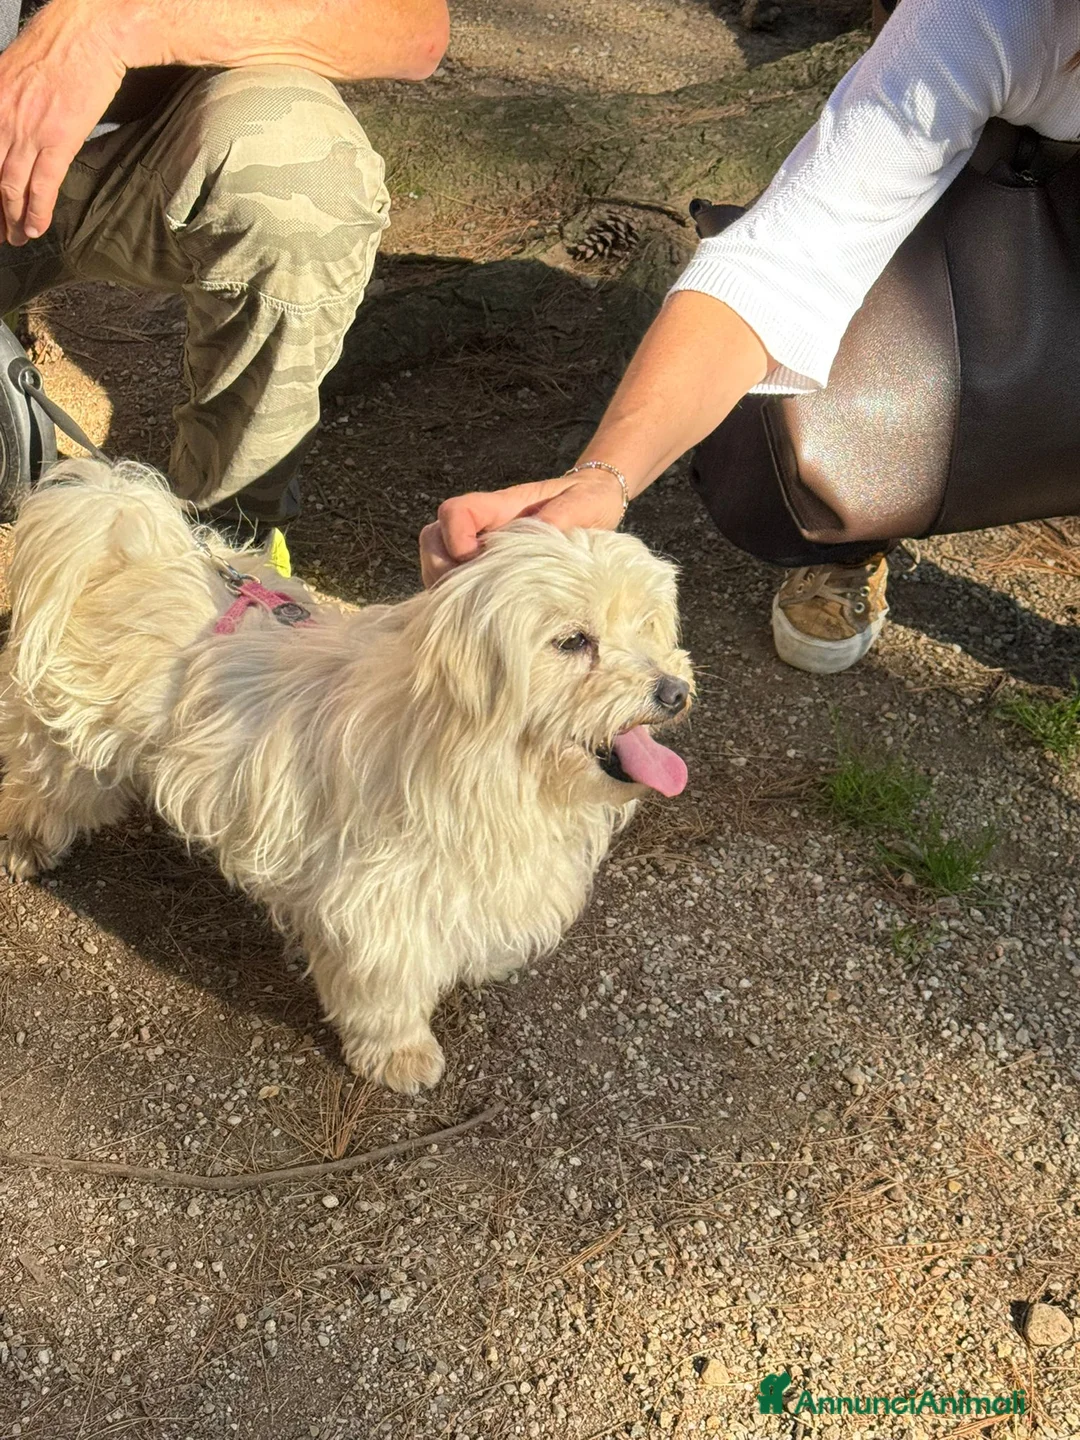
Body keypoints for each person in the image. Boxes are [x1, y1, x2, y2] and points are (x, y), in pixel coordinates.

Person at [421, 0, 1080, 673]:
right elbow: (783, 266)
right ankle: (847, 540)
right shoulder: (997, 15)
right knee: (814, 430)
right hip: (990, 237)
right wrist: (604, 476)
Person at [0, 0, 449, 562]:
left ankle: (227, 553)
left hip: (128, 151)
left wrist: (108, 25)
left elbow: (410, 26)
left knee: (306, 187)